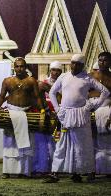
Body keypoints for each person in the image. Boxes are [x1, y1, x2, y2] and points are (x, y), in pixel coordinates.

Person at [46, 54, 109, 183]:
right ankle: (55, 173)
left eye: (77, 64)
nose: (74, 66)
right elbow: (52, 92)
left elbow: (105, 92)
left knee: (82, 145)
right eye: (72, 63)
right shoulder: (63, 77)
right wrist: (58, 109)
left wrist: (92, 105)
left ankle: (80, 172)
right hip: (65, 115)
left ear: (82, 65)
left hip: (81, 115)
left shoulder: (87, 78)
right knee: (63, 144)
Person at [0, 57, 44, 178]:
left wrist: (43, 110)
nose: (19, 68)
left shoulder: (31, 81)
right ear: (14, 67)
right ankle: (7, 171)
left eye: (22, 66)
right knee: (10, 143)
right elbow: (2, 97)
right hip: (11, 113)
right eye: (17, 66)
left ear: (25, 67)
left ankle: (23, 172)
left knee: (25, 144)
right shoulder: (7, 81)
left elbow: (37, 98)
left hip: (25, 114)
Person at [33, 61, 62, 175]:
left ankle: (57, 169)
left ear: (61, 71)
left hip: (59, 115)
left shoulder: (63, 83)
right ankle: (43, 168)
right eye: (53, 70)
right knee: (43, 143)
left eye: (58, 70)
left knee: (57, 142)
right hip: (45, 115)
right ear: (50, 71)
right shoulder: (43, 83)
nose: (55, 72)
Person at [89, 52, 111, 176]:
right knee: (90, 140)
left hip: (106, 110)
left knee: (106, 140)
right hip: (89, 110)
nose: (102, 63)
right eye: (100, 60)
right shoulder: (90, 76)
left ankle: (106, 169)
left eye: (105, 60)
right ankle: (90, 169)